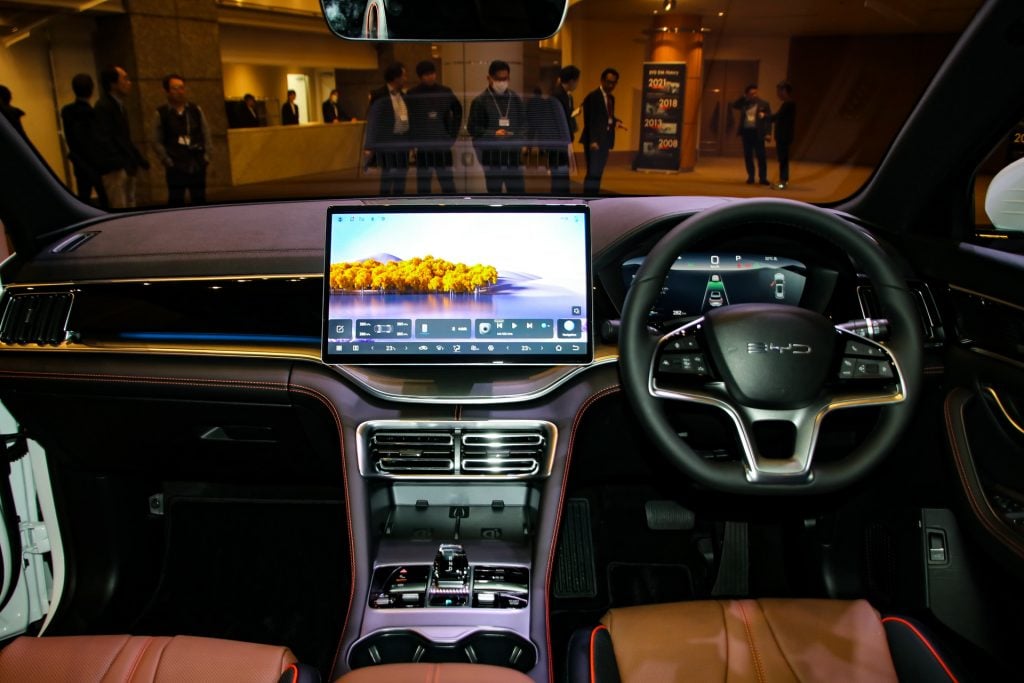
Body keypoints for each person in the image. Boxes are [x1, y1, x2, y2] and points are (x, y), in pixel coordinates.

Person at [93, 65, 149, 208]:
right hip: (115, 167)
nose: (129, 83)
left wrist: (138, 159)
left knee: (130, 203)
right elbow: (105, 138)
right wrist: (118, 161)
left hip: (126, 164)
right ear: (113, 84)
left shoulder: (119, 106)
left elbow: (125, 138)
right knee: (119, 205)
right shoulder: (103, 107)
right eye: (124, 79)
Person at [153, 74, 211, 207]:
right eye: (175, 88)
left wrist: (207, 157)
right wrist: (167, 160)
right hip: (175, 165)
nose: (179, 92)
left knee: (199, 200)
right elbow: (156, 140)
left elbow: (206, 133)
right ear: (167, 91)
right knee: (176, 200)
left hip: (197, 162)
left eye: (181, 88)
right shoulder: (161, 113)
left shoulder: (195, 110)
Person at [468, 59, 526, 194]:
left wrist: (521, 140)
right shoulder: (480, 101)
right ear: (489, 78)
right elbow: (474, 129)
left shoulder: (515, 99)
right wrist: (494, 133)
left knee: (518, 194)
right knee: (495, 195)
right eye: (498, 79)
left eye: (505, 79)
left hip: (513, 157)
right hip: (492, 157)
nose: (502, 82)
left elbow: (524, 123)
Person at [406, 60, 462, 194]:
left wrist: (452, 135)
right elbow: (409, 119)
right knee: (423, 185)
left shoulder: (445, 91)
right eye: (426, 75)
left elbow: (458, 111)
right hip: (423, 146)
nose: (430, 77)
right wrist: (412, 140)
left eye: (432, 73)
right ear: (420, 77)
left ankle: (451, 205)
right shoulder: (412, 94)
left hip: (443, 144)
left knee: (448, 184)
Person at [60, 74, 107, 207]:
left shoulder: (67, 111)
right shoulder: (94, 113)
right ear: (91, 89)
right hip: (96, 162)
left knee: (84, 195)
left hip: (79, 160)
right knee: (104, 198)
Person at [365, 63, 411, 196]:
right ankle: (384, 202)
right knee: (387, 176)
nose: (406, 79)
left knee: (401, 176)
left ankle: (399, 201)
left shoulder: (404, 95)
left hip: (403, 141)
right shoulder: (379, 95)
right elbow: (373, 121)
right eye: (403, 76)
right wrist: (370, 145)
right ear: (395, 78)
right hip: (387, 142)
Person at [580, 67, 623, 195]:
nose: (611, 85)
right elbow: (590, 120)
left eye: (614, 83)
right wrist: (593, 140)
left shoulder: (611, 98)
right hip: (594, 141)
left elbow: (607, 117)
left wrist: (616, 121)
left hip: (605, 139)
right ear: (602, 80)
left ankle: (594, 196)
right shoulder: (593, 97)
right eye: (608, 82)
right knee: (592, 172)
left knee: (598, 172)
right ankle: (588, 197)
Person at [526, 84, 572, 195]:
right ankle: (541, 151)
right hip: (546, 131)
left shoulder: (531, 102)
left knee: (532, 139)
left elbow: (529, 113)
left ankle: (530, 151)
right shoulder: (545, 102)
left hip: (535, 126)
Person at [731, 84, 772, 186]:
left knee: (761, 156)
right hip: (746, 132)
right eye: (751, 94)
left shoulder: (764, 104)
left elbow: (768, 120)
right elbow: (734, 105)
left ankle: (763, 178)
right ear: (747, 94)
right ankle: (751, 177)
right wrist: (744, 97)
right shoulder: (744, 103)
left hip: (758, 132)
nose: (754, 95)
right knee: (748, 155)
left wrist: (768, 133)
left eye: (755, 93)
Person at [771, 81, 795, 189]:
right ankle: (783, 180)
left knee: (783, 159)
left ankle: (783, 181)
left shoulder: (789, 104)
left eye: (778, 91)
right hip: (784, 136)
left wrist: (765, 117)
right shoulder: (787, 103)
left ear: (784, 91)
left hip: (784, 136)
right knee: (782, 159)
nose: (777, 94)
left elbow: (778, 117)